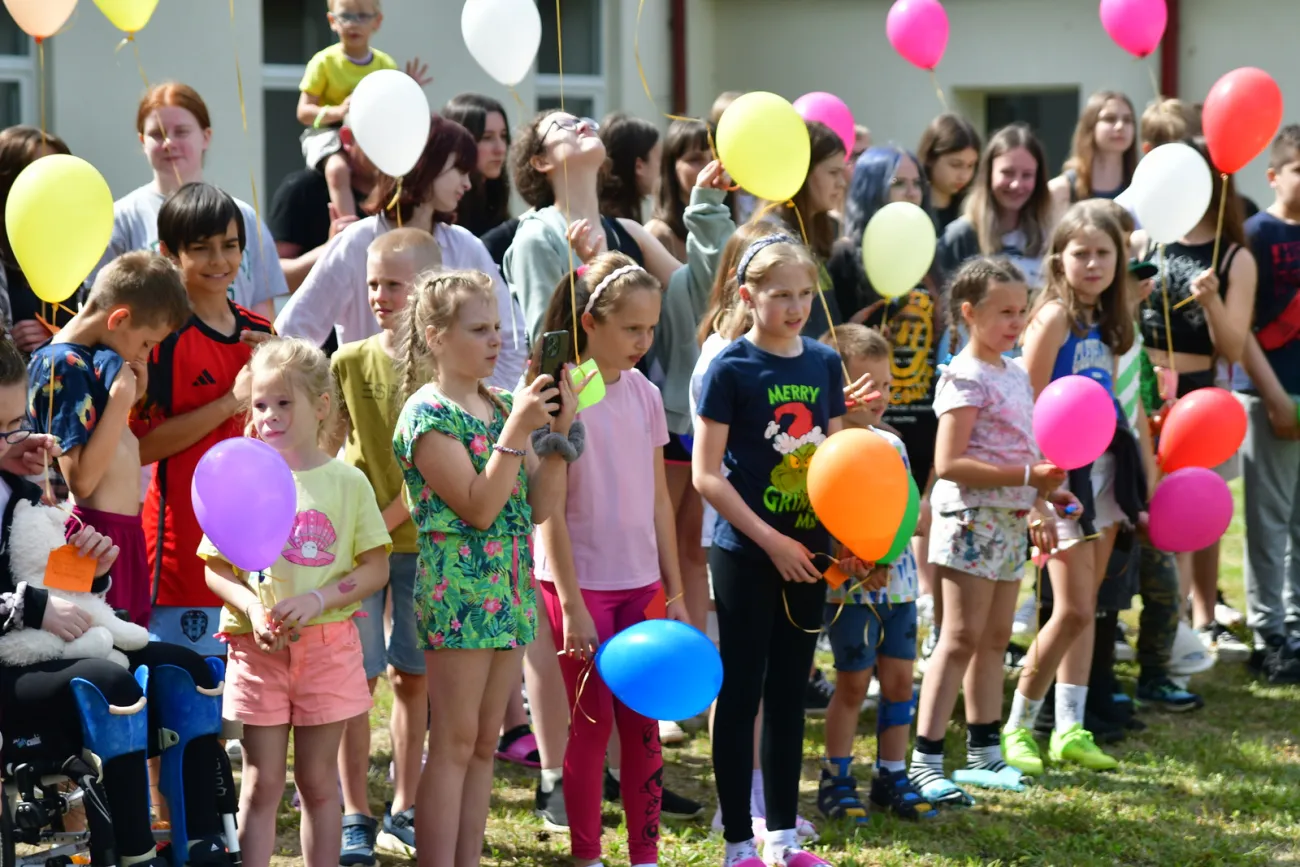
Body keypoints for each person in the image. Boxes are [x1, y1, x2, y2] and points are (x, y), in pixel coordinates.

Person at [3, 328, 236, 867]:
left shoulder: (23, 481)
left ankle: (200, 841)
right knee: (110, 681)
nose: (15, 439)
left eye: (18, 423)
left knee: (187, 665)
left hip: (61, 639)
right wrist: (35, 607)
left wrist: (93, 570)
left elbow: (53, 569)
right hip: (13, 662)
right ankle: (135, 853)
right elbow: (36, 598)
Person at [693, 234, 873, 867]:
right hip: (746, 551)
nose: (796, 306)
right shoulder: (731, 367)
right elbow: (705, 475)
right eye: (780, 295)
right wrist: (770, 542)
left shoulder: (824, 363)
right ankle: (738, 842)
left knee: (793, 693)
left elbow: (835, 457)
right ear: (749, 296)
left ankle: (782, 837)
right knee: (742, 693)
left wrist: (847, 539)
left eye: (805, 293)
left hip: (810, 553)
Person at [391, 268, 575, 867]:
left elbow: (540, 506)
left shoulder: (499, 403)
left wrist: (558, 432)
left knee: (481, 748)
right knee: (453, 741)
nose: (496, 340)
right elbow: (476, 506)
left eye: (497, 326)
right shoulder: (427, 414)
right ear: (435, 335)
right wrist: (518, 430)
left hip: (510, 589)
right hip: (460, 591)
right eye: (479, 329)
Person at [202, 337, 391, 867]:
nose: (269, 416)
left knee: (317, 782)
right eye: (260, 404)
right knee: (261, 784)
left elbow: (374, 566)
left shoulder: (347, 482)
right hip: (255, 650)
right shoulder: (239, 475)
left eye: (284, 403)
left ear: (321, 406)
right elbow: (216, 566)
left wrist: (319, 598)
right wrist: (253, 608)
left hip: (328, 649)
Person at [534, 252, 686, 867]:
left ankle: (644, 857)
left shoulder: (647, 393)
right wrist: (571, 604)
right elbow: (551, 512)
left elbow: (658, 503)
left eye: (651, 329)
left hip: (641, 586)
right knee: (592, 729)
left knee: (644, 732)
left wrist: (673, 593)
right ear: (590, 322)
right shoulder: (559, 398)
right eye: (631, 329)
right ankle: (587, 856)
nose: (644, 342)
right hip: (581, 590)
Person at [909, 258, 1075, 806]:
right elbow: (950, 461)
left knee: (996, 640)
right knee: (958, 638)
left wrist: (1043, 499)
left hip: (1009, 520)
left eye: (1021, 310)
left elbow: (1025, 450)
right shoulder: (964, 375)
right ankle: (925, 760)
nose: (1016, 321)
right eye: (1004, 311)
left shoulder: (1014, 373)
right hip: (969, 523)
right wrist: (1029, 477)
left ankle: (984, 753)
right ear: (968, 313)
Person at [1003, 204, 1139, 775]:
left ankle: (1069, 729)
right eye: (1081, 253)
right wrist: (1036, 492)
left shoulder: (1105, 321)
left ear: (1118, 260)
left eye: (1103, 253)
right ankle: (1017, 726)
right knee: (1071, 607)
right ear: (1059, 258)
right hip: (1059, 481)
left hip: (1102, 476)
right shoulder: (1054, 316)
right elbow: (1023, 403)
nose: (1092, 263)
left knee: (1088, 611)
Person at [329, 229, 443, 864]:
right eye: (373, 282)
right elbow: (330, 448)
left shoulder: (444, 371)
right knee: (355, 677)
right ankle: (354, 812)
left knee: (412, 678)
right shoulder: (348, 363)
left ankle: (405, 807)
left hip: (424, 548)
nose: (379, 295)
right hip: (362, 551)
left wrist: (387, 518)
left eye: (394, 284)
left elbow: (432, 476)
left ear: (427, 290)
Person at [276, 115, 528, 391]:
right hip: (370, 423)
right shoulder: (357, 241)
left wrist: (488, 405)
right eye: (459, 169)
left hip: (456, 428)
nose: (467, 184)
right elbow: (294, 330)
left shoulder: (465, 245)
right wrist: (328, 407)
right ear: (424, 165)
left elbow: (511, 337)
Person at [129, 184, 275, 658]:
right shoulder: (161, 339)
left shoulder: (263, 335)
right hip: (180, 559)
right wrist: (232, 400)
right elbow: (139, 448)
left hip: (256, 554)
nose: (219, 260)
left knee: (250, 716)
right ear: (169, 253)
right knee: (186, 716)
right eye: (202, 248)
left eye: (229, 246)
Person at [1134, 138, 1256, 661]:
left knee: (1197, 505)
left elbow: (1233, 347)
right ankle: (1158, 618)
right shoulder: (1146, 241)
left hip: (1202, 391)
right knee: (1146, 500)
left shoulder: (1234, 255)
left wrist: (1210, 302)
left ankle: (1201, 616)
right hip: (1146, 386)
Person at [27, 252, 191, 626]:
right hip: (89, 540)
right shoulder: (61, 366)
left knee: (133, 653)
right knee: (109, 654)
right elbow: (82, 480)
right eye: (147, 343)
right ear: (119, 318)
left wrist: (129, 405)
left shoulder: (92, 359)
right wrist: (120, 402)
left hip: (119, 537)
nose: (146, 354)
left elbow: (111, 449)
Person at [815, 324, 936, 823]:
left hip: (899, 584)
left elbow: (906, 513)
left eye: (888, 385)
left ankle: (891, 773)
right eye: (870, 386)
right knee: (851, 683)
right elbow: (826, 509)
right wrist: (855, 559)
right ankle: (836, 776)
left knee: (900, 680)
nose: (883, 396)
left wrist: (888, 554)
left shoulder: (895, 444)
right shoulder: (827, 443)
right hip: (850, 589)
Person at [89, 82, 287, 322]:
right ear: (142, 141)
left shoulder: (243, 215)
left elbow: (262, 307)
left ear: (206, 137)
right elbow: (101, 306)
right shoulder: (122, 218)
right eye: (156, 134)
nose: (169, 143)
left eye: (181, 132)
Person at [504, 110, 683, 342]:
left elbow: (693, 293)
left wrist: (708, 209)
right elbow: (550, 344)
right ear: (541, 161)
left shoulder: (628, 231)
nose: (582, 126)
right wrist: (604, 381)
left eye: (582, 121)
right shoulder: (536, 236)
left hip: (633, 379)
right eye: (563, 126)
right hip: (587, 380)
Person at [1238, 126, 1300, 684]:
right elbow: (1244, 327)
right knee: (1270, 518)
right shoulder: (1256, 233)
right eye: (1299, 169)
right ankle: (1269, 631)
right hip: (1271, 392)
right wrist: (1275, 397)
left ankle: (1297, 626)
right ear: (1275, 175)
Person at [296, 0, 429, 219]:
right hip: (330, 133)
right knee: (337, 170)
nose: (353, 24)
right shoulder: (323, 62)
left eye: (363, 16)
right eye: (346, 17)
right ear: (332, 21)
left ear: (377, 22)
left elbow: (392, 106)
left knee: (398, 171)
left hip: (371, 135)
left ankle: (390, 220)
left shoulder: (384, 63)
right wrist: (338, 111)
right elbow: (303, 112)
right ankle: (348, 227)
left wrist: (407, 89)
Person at [752, 121, 848, 338]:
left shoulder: (815, 231)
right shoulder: (772, 237)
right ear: (802, 172)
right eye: (833, 172)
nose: (841, 183)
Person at [938, 124, 1055, 291]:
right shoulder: (960, 237)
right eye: (1007, 173)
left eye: (1027, 175)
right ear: (988, 174)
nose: (1016, 184)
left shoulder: (1048, 236)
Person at [268, 124, 378, 296]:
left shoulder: (416, 193)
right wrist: (330, 250)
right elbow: (272, 279)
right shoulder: (302, 189)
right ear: (348, 138)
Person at [0, 126, 74, 352]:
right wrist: (7, 343)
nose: (53, 187)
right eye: (40, 175)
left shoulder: (77, 252)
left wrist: (61, 336)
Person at [1048, 91, 1140, 212]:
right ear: (1090, 126)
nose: (1120, 126)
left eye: (1128, 120)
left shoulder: (1141, 187)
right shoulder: (1060, 191)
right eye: (1110, 119)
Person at [442, 93, 513, 238]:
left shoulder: (494, 196)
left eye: (504, 136)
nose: (500, 149)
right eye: (487, 138)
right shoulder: (446, 206)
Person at [648, 118, 714, 263]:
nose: (711, 168)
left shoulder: (728, 227)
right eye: (695, 159)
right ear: (672, 167)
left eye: (715, 158)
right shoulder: (658, 235)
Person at [917, 114, 981, 233]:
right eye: (956, 165)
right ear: (931, 158)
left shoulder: (973, 211)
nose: (964, 176)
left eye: (971, 165)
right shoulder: (912, 206)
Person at [597, 112, 662, 223]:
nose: (662, 169)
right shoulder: (620, 226)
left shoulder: (599, 212)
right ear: (639, 166)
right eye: (659, 160)